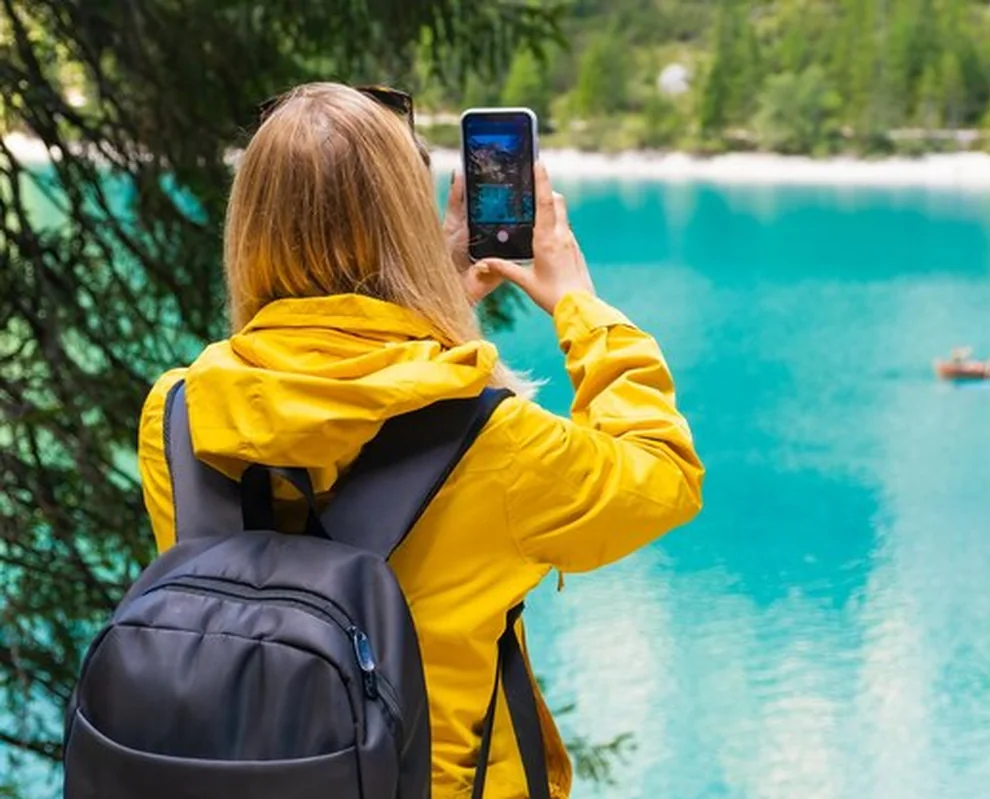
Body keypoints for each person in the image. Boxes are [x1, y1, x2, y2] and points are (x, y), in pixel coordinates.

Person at [135, 83, 704, 798]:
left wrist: (421, 298)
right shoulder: (493, 440)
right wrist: (582, 306)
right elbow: (664, 473)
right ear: (406, 221)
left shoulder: (179, 415)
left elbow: (323, 401)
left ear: (247, 225)